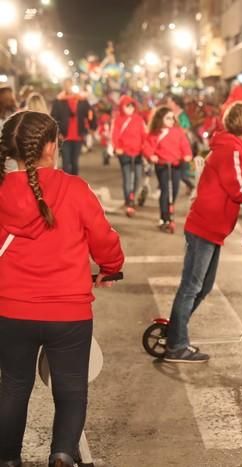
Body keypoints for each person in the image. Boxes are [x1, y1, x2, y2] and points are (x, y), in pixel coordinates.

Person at [0, 111, 124, 467]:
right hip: (68, 311)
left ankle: (7, 459)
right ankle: (63, 455)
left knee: (13, 386)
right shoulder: (75, 189)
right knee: (71, 390)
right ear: (52, 146)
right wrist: (111, 269)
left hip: (11, 310)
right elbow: (104, 239)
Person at [164, 102, 242, 363]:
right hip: (205, 226)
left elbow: (239, 185)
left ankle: (175, 332)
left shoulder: (234, 147)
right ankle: (175, 344)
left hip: (212, 228)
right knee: (192, 286)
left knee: (202, 286)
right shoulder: (232, 148)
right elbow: (239, 190)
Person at [142, 106, 192, 232]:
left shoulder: (178, 132)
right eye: (168, 118)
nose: (171, 121)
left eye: (172, 118)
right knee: (165, 190)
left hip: (176, 164)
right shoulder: (155, 133)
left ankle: (169, 213)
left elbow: (184, 145)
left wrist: (187, 155)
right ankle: (164, 217)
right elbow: (147, 146)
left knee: (174, 190)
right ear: (160, 119)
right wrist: (151, 156)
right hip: (162, 165)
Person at [111, 95, 147, 216]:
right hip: (125, 153)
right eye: (127, 106)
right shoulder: (117, 120)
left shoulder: (139, 119)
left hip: (137, 152)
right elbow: (114, 135)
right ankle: (129, 201)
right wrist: (117, 148)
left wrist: (144, 148)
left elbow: (144, 135)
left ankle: (133, 196)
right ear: (122, 107)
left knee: (137, 177)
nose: (130, 108)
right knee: (127, 177)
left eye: (132, 105)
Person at [50, 79, 94, 176]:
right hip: (64, 136)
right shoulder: (58, 101)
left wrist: (91, 126)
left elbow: (90, 113)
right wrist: (57, 133)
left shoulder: (81, 100)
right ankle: (66, 185)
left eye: (69, 85)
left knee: (75, 163)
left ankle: (74, 185)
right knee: (66, 163)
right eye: (65, 85)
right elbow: (53, 118)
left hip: (78, 136)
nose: (67, 87)